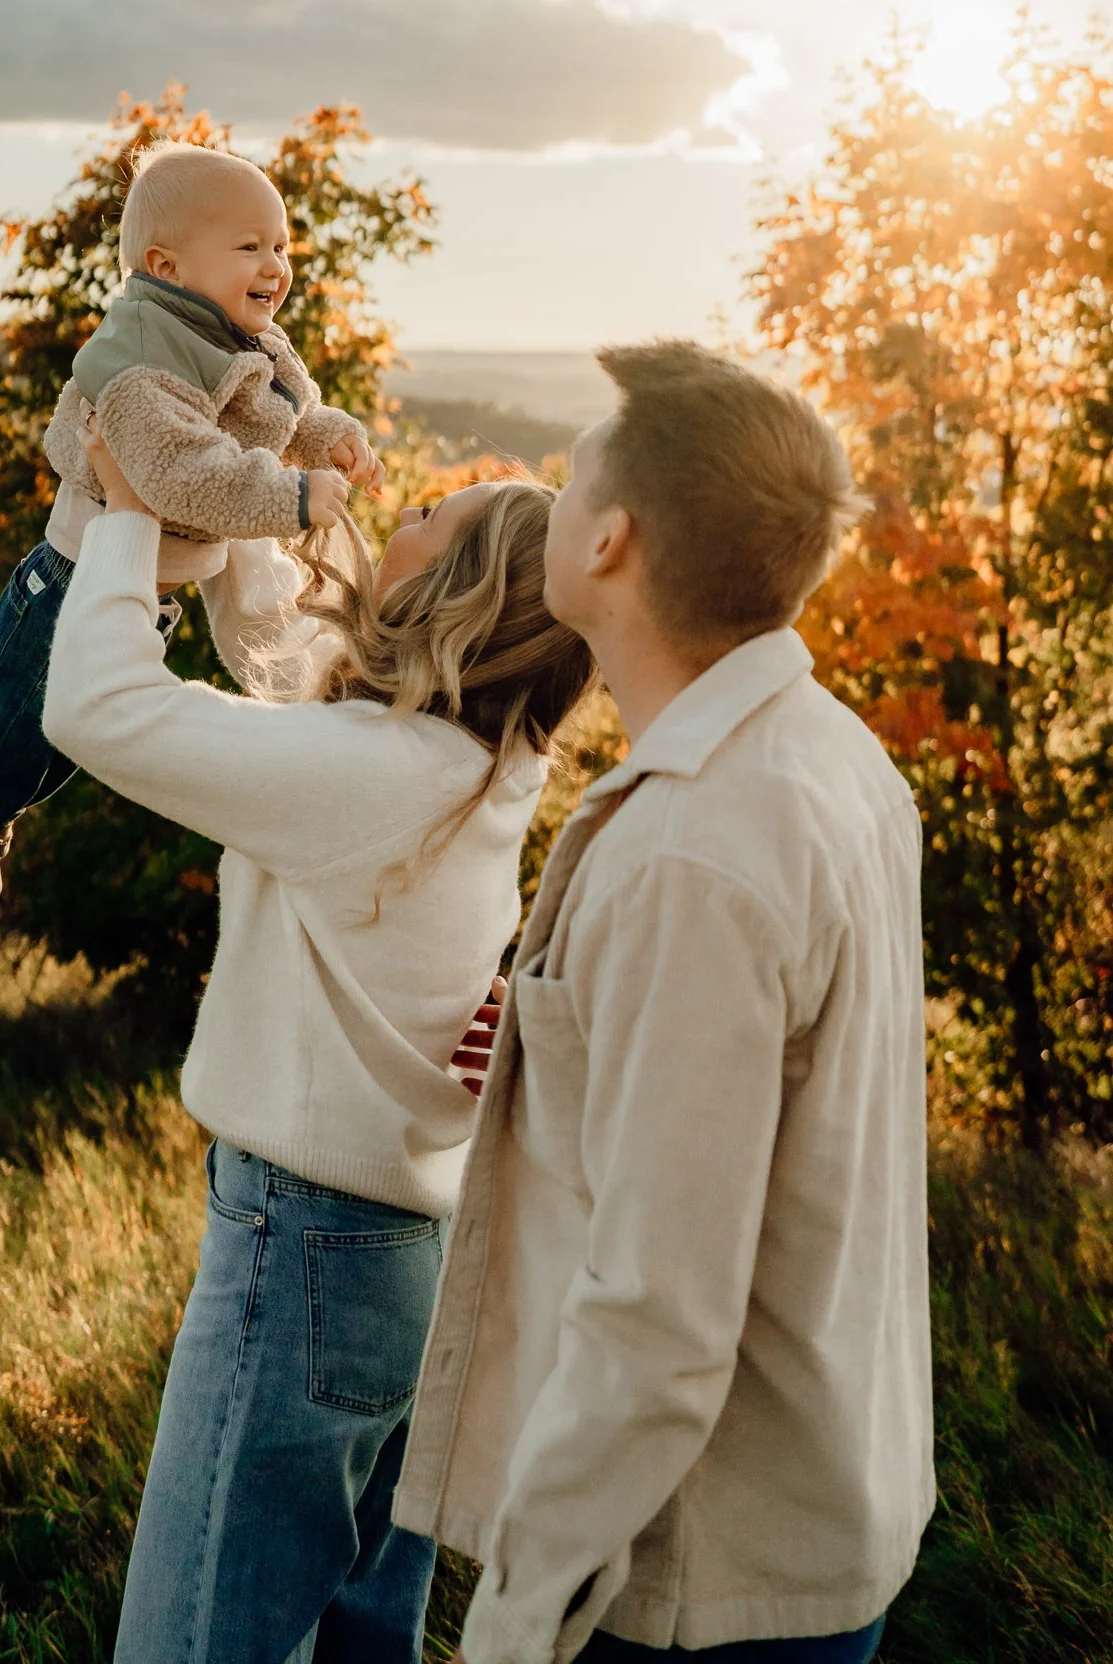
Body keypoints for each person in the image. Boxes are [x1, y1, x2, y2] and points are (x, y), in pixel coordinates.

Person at [395, 341, 934, 1664]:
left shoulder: (692, 854)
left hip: (695, 1579)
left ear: (612, 543)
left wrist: (513, 1625)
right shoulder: (831, 755)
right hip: (815, 1519)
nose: (554, 498)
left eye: (574, 479)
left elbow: (660, 1318)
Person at [41, 426, 595, 1664]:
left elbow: (98, 706)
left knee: (195, 1641)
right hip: (407, 1256)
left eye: (429, 521)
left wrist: (132, 506)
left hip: (302, 1255)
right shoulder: (480, 761)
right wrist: (237, 482)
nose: (395, 521)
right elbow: (288, 663)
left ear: (453, 593)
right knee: (353, 1640)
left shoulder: (376, 773)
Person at [0, 142, 379, 990]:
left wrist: (329, 436)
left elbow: (283, 415)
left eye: (280, 246)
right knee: (1, 738)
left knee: (67, 741)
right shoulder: (142, 361)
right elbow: (183, 475)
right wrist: (291, 498)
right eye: (249, 247)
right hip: (70, 583)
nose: (275, 265)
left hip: (142, 590)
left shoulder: (242, 335)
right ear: (165, 264)